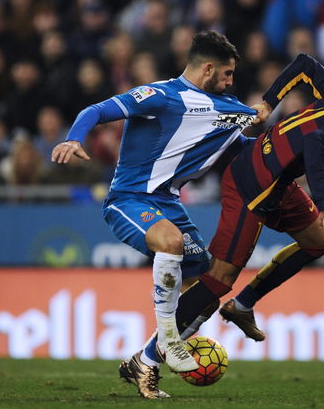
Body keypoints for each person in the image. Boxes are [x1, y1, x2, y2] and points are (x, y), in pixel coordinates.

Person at [136, 53, 324, 385]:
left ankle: (244, 304)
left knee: (318, 242)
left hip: (274, 176)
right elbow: (314, 143)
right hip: (253, 182)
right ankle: (147, 358)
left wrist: (269, 102)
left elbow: (304, 64)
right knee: (220, 278)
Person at [51, 31, 260, 398]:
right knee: (172, 241)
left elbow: (240, 148)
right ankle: (168, 340)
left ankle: (145, 361)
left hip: (169, 204)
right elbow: (96, 110)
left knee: (208, 293)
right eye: (227, 74)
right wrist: (74, 138)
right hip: (128, 200)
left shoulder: (219, 109)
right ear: (208, 68)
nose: (231, 82)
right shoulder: (161, 95)